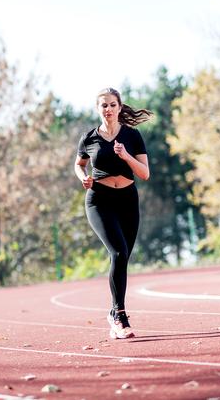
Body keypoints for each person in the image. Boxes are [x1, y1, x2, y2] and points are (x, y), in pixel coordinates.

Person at [74, 87, 151, 339]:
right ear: (98, 109)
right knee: (117, 252)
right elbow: (79, 164)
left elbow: (144, 173)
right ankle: (120, 315)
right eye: (103, 105)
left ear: (119, 107)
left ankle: (113, 311)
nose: (108, 109)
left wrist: (126, 156)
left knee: (123, 256)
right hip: (100, 200)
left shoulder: (132, 136)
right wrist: (83, 177)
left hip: (127, 199)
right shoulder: (89, 138)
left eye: (112, 105)